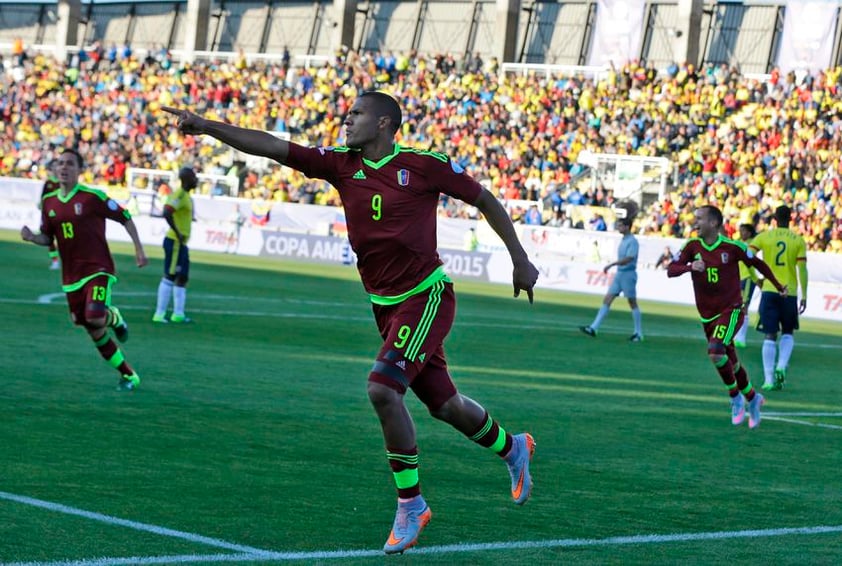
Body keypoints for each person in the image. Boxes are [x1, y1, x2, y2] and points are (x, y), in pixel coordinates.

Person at [163, 91, 540, 554]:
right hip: (385, 304)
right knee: (444, 405)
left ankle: (411, 504)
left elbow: (486, 200)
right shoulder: (341, 164)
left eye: (357, 113)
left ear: (384, 123)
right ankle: (513, 447)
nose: (347, 119)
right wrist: (207, 126)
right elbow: (272, 146)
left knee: (383, 388)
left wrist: (520, 260)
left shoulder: (425, 165)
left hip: (426, 296)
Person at [20, 148, 148, 390]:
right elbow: (48, 238)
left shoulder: (92, 198)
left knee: (95, 316)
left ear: (80, 170)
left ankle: (115, 317)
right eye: (60, 164)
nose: (64, 168)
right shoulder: (49, 202)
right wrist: (31, 237)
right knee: (92, 329)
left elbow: (125, 216)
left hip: (97, 269)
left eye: (69, 164)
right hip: (71, 277)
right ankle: (129, 375)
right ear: (56, 169)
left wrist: (139, 250)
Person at [667, 205, 786, 429]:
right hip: (707, 316)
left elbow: (757, 263)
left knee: (715, 351)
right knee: (730, 360)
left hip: (731, 310)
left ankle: (735, 397)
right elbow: (671, 269)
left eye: (699, 218)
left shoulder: (732, 247)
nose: (695, 222)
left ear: (713, 223)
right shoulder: (692, 246)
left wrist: (778, 285)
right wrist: (690, 266)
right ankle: (753, 398)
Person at [749, 205, 809, 390]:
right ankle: (781, 366)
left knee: (769, 334)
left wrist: (755, 279)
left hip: (769, 289)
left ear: (774, 218)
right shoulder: (798, 240)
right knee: (788, 332)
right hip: (788, 292)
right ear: (791, 218)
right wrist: (804, 295)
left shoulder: (764, 237)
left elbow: (748, 256)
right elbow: (802, 270)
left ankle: (768, 380)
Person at [580, 217, 643, 341]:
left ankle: (638, 333)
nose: (618, 228)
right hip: (620, 274)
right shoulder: (624, 240)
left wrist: (612, 264)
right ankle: (594, 327)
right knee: (608, 298)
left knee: (632, 302)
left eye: (620, 226)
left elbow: (630, 258)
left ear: (626, 226)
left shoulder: (632, 241)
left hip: (628, 274)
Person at [153, 167, 197, 324]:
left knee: (182, 277)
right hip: (175, 241)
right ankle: (159, 314)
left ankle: (178, 314)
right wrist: (177, 232)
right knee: (170, 275)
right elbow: (167, 211)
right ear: (187, 179)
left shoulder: (185, 196)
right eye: (194, 177)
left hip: (182, 243)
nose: (196, 180)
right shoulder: (179, 194)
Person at [733, 223, 759, 349]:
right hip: (737, 278)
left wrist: (756, 278)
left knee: (744, 307)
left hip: (748, 278)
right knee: (735, 306)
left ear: (749, 233)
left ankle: (741, 338)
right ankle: (736, 334)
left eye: (744, 231)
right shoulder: (737, 242)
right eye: (740, 230)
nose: (741, 233)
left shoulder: (752, 244)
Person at [39, 161, 62, 270]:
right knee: (49, 238)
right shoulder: (48, 182)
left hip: (62, 214)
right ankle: (55, 261)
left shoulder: (63, 182)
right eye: (53, 167)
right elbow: (43, 198)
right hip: (49, 215)